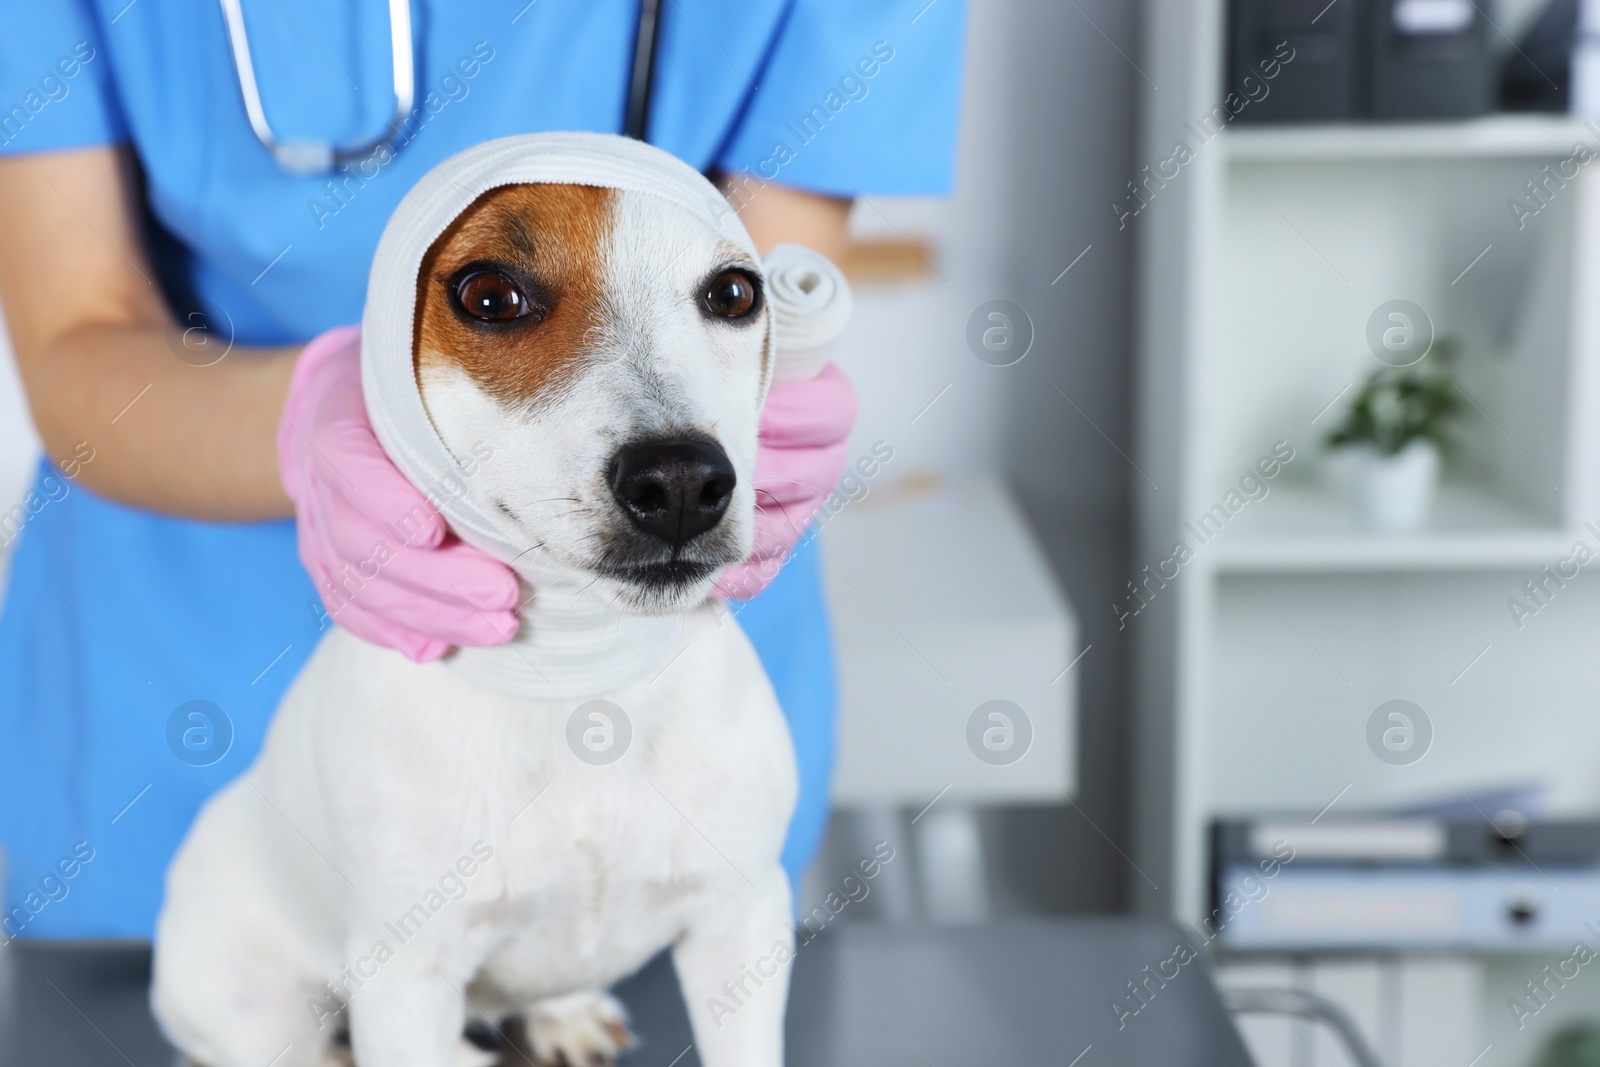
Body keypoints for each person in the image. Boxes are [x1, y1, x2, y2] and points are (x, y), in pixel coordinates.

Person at [0, 0, 963, 939]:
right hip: (179, 711)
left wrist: (760, 376)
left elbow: (758, 274)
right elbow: (77, 325)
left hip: (654, 743)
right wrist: (315, 416)